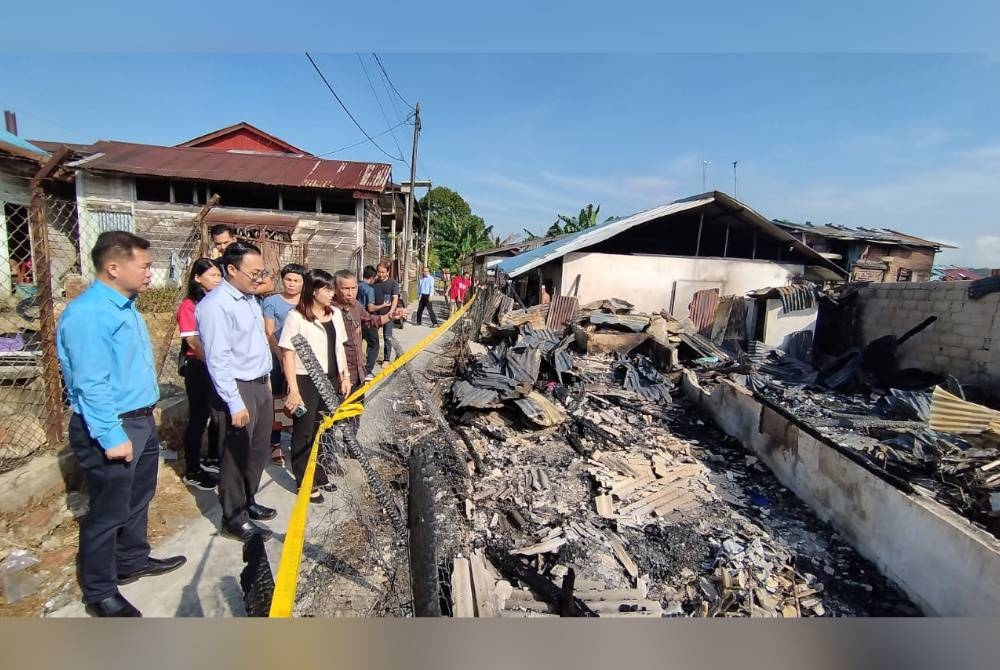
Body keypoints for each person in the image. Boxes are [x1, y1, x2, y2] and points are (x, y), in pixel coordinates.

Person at [57, 230, 186, 617]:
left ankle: (131, 561)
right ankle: (99, 591)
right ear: (114, 267)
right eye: (144, 265)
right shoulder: (89, 314)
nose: (151, 273)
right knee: (108, 510)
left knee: (138, 497)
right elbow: (90, 382)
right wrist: (111, 435)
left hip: (139, 419)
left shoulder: (124, 306)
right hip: (111, 426)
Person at [196, 241, 277, 542]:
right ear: (231, 270)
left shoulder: (249, 300)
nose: (259, 278)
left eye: (261, 272)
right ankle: (234, 517)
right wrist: (234, 402)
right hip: (236, 388)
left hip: (258, 383)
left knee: (257, 451)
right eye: (253, 272)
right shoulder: (216, 306)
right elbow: (218, 359)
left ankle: (249, 500)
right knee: (235, 455)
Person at [279, 269, 351, 503]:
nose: (332, 293)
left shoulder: (336, 314)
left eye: (332, 289)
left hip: (330, 378)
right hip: (305, 379)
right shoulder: (296, 317)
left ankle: (318, 473)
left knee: (323, 428)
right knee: (304, 431)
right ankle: (304, 481)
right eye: (327, 289)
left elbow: (340, 347)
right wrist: (294, 388)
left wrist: (345, 375)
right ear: (313, 290)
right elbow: (287, 354)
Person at [176, 259, 223, 491]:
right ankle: (192, 469)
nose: (218, 279)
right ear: (197, 278)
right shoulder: (189, 305)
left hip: (218, 366)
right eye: (213, 275)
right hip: (200, 366)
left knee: (218, 414)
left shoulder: (219, 302)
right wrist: (214, 362)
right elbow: (192, 340)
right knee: (199, 417)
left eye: (219, 275)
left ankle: (213, 458)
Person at [261, 263, 306, 466]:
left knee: (302, 398)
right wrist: (280, 355)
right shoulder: (271, 301)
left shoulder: (307, 302)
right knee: (278, 398)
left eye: (296, 280)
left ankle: (300, 440)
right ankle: (275, 443)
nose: (291, 284)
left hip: (304, 358)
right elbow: (269, 332)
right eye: (288, 279)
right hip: (278, 356)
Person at [332, 269, 402, 393]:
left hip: (358, 371)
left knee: (357, 409)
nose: (350, 293)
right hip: (340, 375)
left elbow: (370, 320)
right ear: (335, 289)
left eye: (353, 288)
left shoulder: (356, 305)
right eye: (345, 289)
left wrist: (391, 316)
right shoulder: (330, 310)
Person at [209, 223, 275, 295]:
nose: (222, 247)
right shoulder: (216, 264)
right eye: (218, 244)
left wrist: (240, 293)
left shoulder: (248, 260)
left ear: (234, 239)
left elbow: (269, 286)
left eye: (226, 242)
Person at [369, 263, 399, 365]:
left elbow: (395, 298)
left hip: (387, 314)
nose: (381, 274)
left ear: (388, 272)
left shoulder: (393, 284)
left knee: (387, 336)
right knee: (371, 336)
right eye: (379, 272)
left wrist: (391, 311)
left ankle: (386, 359)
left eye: (383, 272)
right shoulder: (374, 283)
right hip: (375, 315)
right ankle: (370, 358)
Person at [358, 265, 380, 382]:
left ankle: (357, 369)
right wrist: (383, 305)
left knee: (357, 344)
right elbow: (370, 308)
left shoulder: (357, 286)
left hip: (356, 319)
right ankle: (368, 370)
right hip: (367, 320)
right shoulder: (369, 289)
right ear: (371, 277)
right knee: (374, 345)